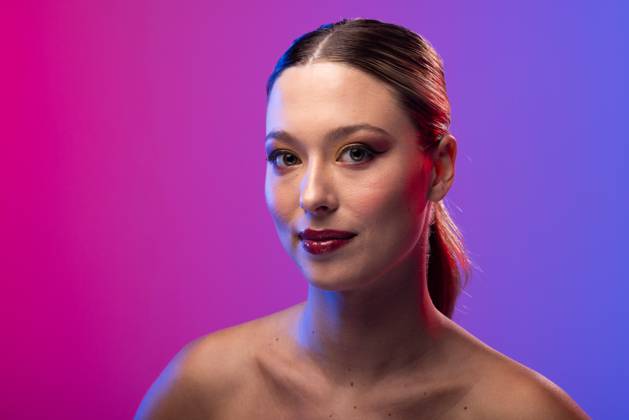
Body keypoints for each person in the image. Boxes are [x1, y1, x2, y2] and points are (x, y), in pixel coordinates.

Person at [135, 18, 589, 419]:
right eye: (286, 157)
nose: (313, 196)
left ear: (441, 167)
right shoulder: (203, 390)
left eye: (356, 153)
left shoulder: (526, 412)